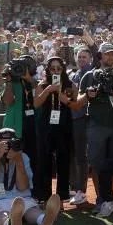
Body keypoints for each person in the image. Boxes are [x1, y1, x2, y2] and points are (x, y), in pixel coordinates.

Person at [75, 43, 113, 208]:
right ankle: (101, 200)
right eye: (107, 54)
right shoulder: (90, 76)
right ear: (100, 56)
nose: (110, 57)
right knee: (96, 163)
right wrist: (88, 95)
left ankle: (111, 199)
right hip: (96, 125)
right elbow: (77, 103)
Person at [33, 57, 80, 204]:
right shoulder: (42, 84)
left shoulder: (70, 85)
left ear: (63, 69)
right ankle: (44, 195)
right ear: (48, 69)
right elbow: (36, 103)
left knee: (63, 159)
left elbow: (75, 105)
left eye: (58, 68)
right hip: (46, 125)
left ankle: (62, 195)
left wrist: (60, 94)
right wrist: (48, 90)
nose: (55, 71)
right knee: (44, 159)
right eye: (52, 68)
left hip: (64, 124)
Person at [0, 55, 38, 165]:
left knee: (32, 161)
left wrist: (28, 78)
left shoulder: (36, 82)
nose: (20, 69)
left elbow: (40, 90)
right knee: (11, 161)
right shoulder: (11, 83)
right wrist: (8, 81)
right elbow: (8, 101)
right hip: (14, 127)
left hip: (33, 127)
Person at [68, 46, 95, 205]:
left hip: (84, 118)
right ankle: (74, 187)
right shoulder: (73, 74)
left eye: (84, 57)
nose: (81, 60)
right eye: (79, 57)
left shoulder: (92, 72)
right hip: (71, 118)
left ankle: (81, 191)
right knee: (72, 154)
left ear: (90, 58)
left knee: (81, 156)